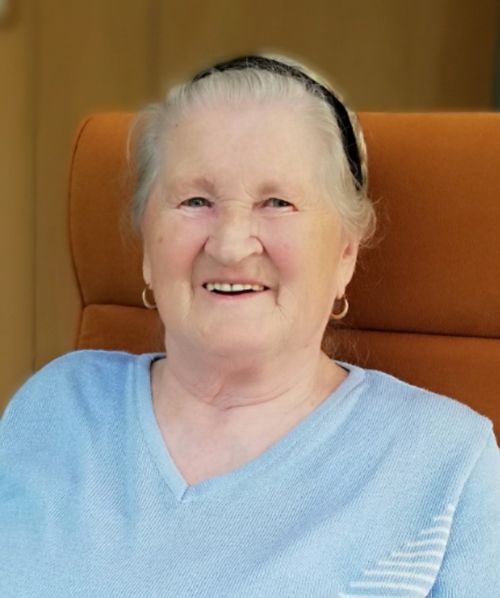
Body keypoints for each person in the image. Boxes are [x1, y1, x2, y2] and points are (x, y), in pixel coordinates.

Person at [1, 55, 499, 597]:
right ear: (147, 247)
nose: (231, 245)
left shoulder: (447, 464)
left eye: (277, 202)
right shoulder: (55, 404)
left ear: (345, 254)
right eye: (195, 201)